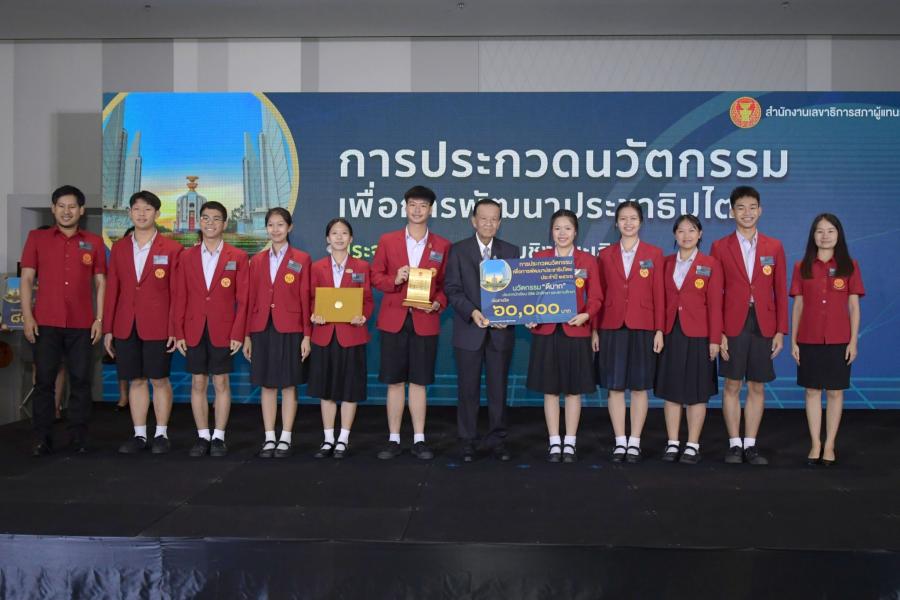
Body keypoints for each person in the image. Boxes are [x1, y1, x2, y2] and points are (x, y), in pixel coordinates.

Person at [20, 185, 106, 455]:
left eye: (72, 206)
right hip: (45, 322)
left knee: (81, 382)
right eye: (61, 206)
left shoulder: (94, 241)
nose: (66, 211)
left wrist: (99, 319)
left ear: (81, 210)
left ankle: (78, 437)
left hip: (82, 324)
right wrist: (27, 317)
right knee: (43, 382)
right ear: (53, 209)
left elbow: (101, 282)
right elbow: (26, 279)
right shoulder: (37, 238)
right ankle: (42, 438)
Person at [370, 185, 451, 460]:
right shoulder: (388, 240)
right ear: (405, 207)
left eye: (423, 206)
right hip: (393, 319)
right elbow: (375, 277)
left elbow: (445, 286)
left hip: (424, 320)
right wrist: (394, 279)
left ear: (431, 210)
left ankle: (419, 438)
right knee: (394, 382)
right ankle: (393, 438)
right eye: (413, 205)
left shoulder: (442, 245)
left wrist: (438, 302)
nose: (417, 210)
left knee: (419, 382)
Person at [711, 186, 787, 466]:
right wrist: (718, 332)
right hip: (732, 323)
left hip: (764, 323)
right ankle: (734, 444)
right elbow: (714, 294)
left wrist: (780, 330)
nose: (747, 213)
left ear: (760, 210)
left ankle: (751, 444)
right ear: (732, 212)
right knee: (732, 384)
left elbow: (780, 291)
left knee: (757, 385)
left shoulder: (774, 246)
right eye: (741, 208)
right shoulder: (720, 247)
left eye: (752, 207)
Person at [103, 191, 183, 454]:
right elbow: (113, 290)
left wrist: (174, 328)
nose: (141, 214)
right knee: (135, 380)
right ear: (130, 213)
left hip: (159, 326)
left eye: (147, 209)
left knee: (159, 379)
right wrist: (108, 328)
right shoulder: (119, 248)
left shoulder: (172, 249)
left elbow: (177, 293)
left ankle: (161, 433)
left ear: (157, 214)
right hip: (126, 324)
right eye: (136, 209)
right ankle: (139, 434)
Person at [445, 198, 519, 462]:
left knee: (498, 389)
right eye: (483, 218)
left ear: (500, 223)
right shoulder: (458, 250)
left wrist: (509, 314)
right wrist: (472, 312)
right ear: (474, 221)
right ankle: (467, 441)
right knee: (468, 390)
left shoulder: (511, 250)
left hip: (500, 332)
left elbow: (517, 292)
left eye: (494, 219)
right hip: (469, 330)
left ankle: (498, 440)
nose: (489, 223)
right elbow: (452, 289)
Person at [526, 209, 602, 463]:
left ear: (575, 232)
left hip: (575, 330)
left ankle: (570, 441)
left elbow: (596, 297)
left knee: (573, 390)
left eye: (567, 228)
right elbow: (529, 295)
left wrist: (586, 315)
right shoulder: (539, 258)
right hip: (546, 331)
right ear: (551, 231)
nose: (562, 233)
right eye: (557, 228)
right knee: (549, 390)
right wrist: (529, 314)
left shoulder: (587, 261)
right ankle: (553, 441)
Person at [174, 201, 248, 458]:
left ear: (224, 224)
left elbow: (244, 300)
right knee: (197, 382)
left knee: (221, 382)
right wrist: (179, 332)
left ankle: (219, 437)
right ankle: (202, 435)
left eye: (216, 218)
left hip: (223, 329)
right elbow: (179, 296)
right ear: (200, 221)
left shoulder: (237, 257)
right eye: (205, 218)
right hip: (194, 328)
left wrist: (238, 333)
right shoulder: (186, 256)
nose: (210, 223)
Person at [789, 214, 863, 466]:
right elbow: (798, 306)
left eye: (830, 231)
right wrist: (794, 341)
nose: (825, 236)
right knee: (811, 391)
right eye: (820, 231)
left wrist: (853, 341)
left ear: (838, 234)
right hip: (808, 338)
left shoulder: (849, 266)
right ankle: (815, 444)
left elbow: (854, 307)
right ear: (813, 235)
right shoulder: (801, 267)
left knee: (834, 392)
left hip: (839, 339)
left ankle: (829, 444)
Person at [594, 200, 664, 463]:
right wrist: (594, 330)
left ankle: (634, 441)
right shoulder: (605, 255)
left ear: (641, 222)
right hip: (611, 325)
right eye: (623, 218)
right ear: (616, 223)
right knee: (614, 387)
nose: (628, 223)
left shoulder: (654, 254)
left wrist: (659, 329)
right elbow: (598, 296)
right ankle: (620, 441)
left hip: (643, 325)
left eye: (633, 218)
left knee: (639, 387)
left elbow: (659, 295)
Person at [654, 215, 723, 464]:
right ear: (674, 234)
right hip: (670, 332)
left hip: (699, 334)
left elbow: (716, 305)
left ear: (700, 234)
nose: (686, 235)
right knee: (671, 390)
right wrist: (659, 330)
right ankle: (673, 442)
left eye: (691, 230)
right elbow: (659, 300)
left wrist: (715, 339)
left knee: (697, 391)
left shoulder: (710, 264)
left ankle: (693, 444)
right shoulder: (665, 263)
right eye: (681, 231)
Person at [243, 207, 311, 459]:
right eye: (271, 225)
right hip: (261, 328)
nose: (275, 229)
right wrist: (247, 335)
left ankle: (286, 437)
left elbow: (306, 298)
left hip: (291, 328)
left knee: (289, 384)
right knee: (267, 385)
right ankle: (270, 436)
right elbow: (250, 299)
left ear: (289, 227)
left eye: (280, 224)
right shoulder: (257, 260)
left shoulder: (302, 258)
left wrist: (307, 335)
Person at [308, 218, 374, 459]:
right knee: (326, 389)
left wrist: (363, 316)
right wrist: (314, 314)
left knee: (350, 389)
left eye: (344, 233)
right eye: (334, 233)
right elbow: (310, 299)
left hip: (352, 335)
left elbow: (368, 300)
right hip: (324, 335)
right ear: (327, 238)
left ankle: (343, 438)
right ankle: (328, 439)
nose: (339, 237)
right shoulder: (317, 267)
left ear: (351, 238)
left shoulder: (362, 266)